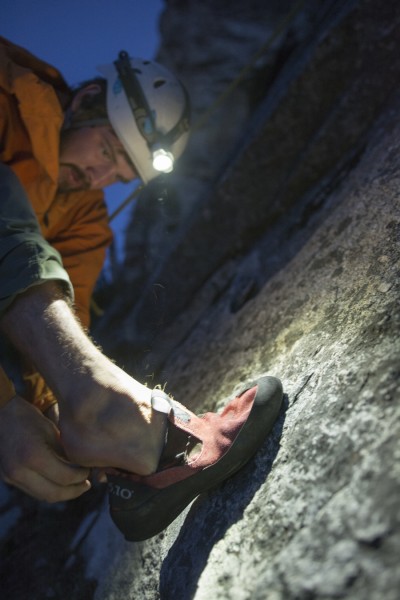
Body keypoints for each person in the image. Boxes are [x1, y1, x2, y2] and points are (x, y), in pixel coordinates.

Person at [0, 37, 283, 539]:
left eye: (119, 174)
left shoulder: (85, 220)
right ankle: (108, 408)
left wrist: (48, 414)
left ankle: (122, 438)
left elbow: (64, 324)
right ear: (86, 99)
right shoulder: (9, 95)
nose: (99, 176)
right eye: (107, 149)